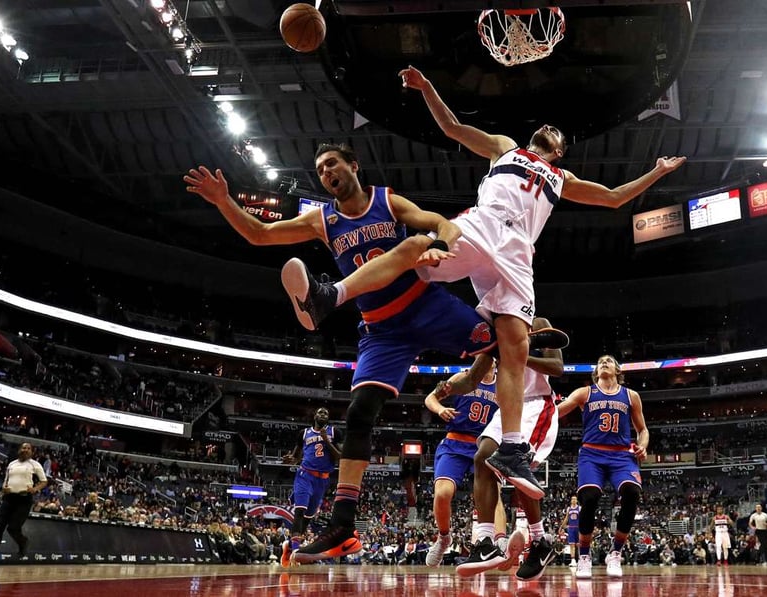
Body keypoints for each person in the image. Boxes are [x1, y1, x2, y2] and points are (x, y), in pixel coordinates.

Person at [293, 66, 685, 504]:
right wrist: (427, 88)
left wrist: (657, 173)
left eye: (557, 132)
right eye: (545, 125)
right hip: (483, 227)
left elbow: (614, 197)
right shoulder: (504, 148)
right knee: (416, 251)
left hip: (519, 252)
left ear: (559, 151)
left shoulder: (563, 179)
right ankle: (335, 293)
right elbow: (453, 127)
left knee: (514, 346)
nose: (548, 128)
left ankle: (514, 448)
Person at [184, 146, 564, 562]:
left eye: (332, 163)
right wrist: (224, 201)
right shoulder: (322, 220)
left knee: (501, 340)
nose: (326, 171)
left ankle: (534, 352)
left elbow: (439, 222)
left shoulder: (387, 200)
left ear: (353, 165)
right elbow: (259, 234)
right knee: (359, 413)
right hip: (382, 329)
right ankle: (343, 528)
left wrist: (439, 243)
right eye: (320, 169)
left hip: (425, 305)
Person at [433, 317, 563, 580]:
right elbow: (471, 380)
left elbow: (557, 367)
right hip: (506, 406)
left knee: (516, 469)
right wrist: (448, 387)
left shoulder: (537, 323)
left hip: (535, 405)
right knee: (483, 457)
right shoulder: (493, 332)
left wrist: (518, 354)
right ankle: (484, 543)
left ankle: (540, 541)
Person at [556, 355, 649, 579]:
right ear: (596, 372)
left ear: (618, 370)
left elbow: (642, 430)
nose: (604, 362)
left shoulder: (631, 396)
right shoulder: (584, 393)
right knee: (589, 498)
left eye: (609, 360)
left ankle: (615, 553)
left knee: (632, 493)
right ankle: (585, 557)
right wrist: (542, 407)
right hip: (592, 453)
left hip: (621, 455)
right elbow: (557, 412)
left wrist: (643, 446)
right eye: (600, 361)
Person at [423, 363, 500, 567]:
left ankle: (496, 541)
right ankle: (444, 538)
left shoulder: (503, 383)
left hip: (486, 444)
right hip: (455, 442)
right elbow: (430, 398)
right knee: (442, 493)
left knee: (495, 495)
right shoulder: (462, 378)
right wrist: (440, 409)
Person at [279, 407, 340, 567]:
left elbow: (340, 457)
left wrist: (327, 441)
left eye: (326, 413)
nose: (323, 414)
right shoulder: (304, 433)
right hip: (304, 475)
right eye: (320, 412)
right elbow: (296, 456)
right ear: (315, 416)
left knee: (308, 518)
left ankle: (291, 547)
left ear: (328, 418)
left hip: (322, 480)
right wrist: (291, 460)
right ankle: (296, 552)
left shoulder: (335, 432)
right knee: (300, 510)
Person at [0, 443, 47, 565]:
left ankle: (23, 542)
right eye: (23, 448)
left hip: (24, 499)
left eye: (28, 448)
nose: (25, 450)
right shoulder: (12, 464)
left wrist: (35, 489)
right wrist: (5, 488)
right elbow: (6, 481)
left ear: (31, 452)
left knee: (13, 528)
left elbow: (44, 481)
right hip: (9, 498)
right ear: (19, 450)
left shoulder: (35, 464)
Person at [557, 495, 580, 567]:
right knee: (572, 545)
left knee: (579, 545)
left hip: (578, 528)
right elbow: (566, 518)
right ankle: (573, 560)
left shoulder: (579, 508)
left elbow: (582, 518)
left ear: (576, 501)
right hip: (571, 528)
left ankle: (580, 560)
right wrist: (561, 527)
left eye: (575, 499)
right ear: (571, 501)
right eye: (572, 499)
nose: (573, 500)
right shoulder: (569, 509)